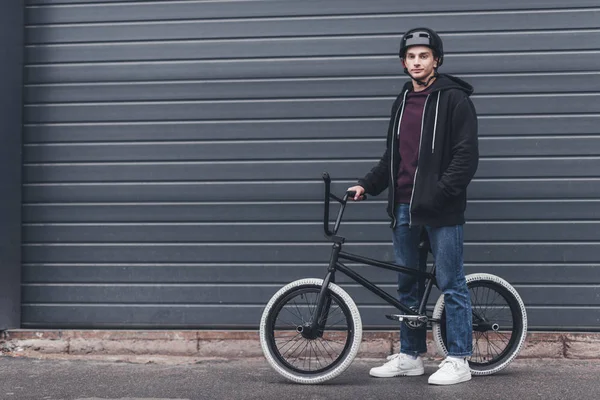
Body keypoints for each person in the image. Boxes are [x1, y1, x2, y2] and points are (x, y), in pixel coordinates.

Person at [347, 27, 479, 386]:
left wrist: (439, 193)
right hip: (404, 207)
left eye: (424, 55)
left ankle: (459, 359)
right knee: (408, 286)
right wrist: (368, 184)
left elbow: (466, 157)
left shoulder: (455, 99)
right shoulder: (403, 100)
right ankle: (410, 355)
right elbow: (394, 156)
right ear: (403, 62)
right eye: (411, 56)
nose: (417, 61)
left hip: (441, 208)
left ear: (436, 59)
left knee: (451, 283)